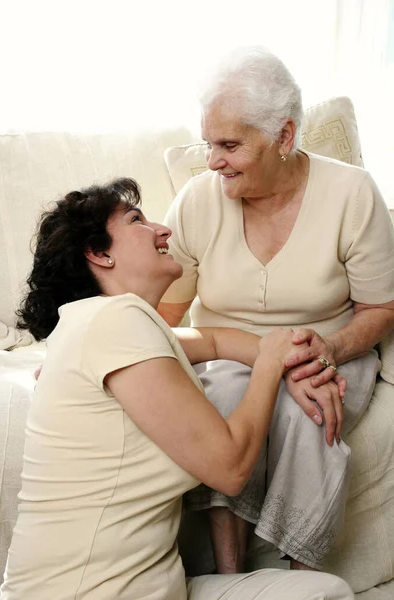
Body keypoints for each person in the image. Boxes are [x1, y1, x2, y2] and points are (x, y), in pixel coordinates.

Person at [0, 178, 354, 599]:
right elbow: (230, 467)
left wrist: (295, 368)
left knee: (323, 591)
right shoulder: (113, 322)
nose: (164, 230)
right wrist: (272, 364)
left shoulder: (112, 325)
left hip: (158, 590)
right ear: (99, 253)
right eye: (137, 221)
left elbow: (217, 340)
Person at [158, 46, 394, 574]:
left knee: (308, 410)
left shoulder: (352, 193)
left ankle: (301, 578)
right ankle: (230, 574)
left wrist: (329, 349)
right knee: (222, 392)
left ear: (283, 137)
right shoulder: (199, 200)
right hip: (229, 354)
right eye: (207, 143)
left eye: (229, 145)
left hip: (331, 346)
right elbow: (164, 311)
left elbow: (381, 307)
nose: (212, 160)